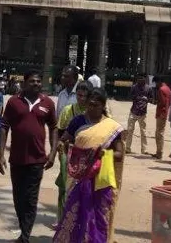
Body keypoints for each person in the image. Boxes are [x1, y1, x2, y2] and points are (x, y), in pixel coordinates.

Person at [50, 88, 124, 242]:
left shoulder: (112, 127)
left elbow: (119, 154)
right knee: (75, 212)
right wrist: (62, 145)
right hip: (78, 176)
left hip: (100, 180)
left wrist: (104, 154)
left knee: (97, 215)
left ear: (103, 105)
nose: (92, 108)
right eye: (90, 104)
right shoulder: (78, 121)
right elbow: (64, 139)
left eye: (96, 105)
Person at [0, 71, 57, 243]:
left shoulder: (48, 103)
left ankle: (24, 237)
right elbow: (4, 127)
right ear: (24, 83)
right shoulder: (14, 102)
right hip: (17, 159)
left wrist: (52, 153)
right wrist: (0, 155)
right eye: (32, 81)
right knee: (18, 198)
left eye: (38, 81)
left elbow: (54, 127)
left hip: (37, 160)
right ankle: (24, 232)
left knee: (30, 198)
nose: (36, 84)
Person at [52, 84, 88, 219]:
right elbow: (60, 131)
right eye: (79, 95)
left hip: (86, 155)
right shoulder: (68, 110)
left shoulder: (93, 112)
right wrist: (59, 149)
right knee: (64, 184)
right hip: (68, 153)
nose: (81, 98)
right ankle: (61, 217)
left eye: (85, 96)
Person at [124, 74, 149, 155]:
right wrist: (137, 97)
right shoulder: (134, 87)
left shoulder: (148, 88)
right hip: (133, 112)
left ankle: (144, 149)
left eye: (142, 79)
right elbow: (129, 96)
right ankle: (127, 148)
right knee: (129, 130)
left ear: (145, 79)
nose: (140, 81)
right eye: (139, 79)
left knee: (143, 132)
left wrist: (146, 99)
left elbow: (152, 98)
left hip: (143, 113)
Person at [153, 76, 171, 160]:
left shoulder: (161, 89)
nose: (156, 85)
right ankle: (159, 152)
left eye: (156, 83)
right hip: (165, 112)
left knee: (159, 134)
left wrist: (156, 102)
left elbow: (162, 102)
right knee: (160, 132)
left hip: (161, 113)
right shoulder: (168, 89)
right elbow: (168, 102)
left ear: (159, 82)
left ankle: (159, 152)